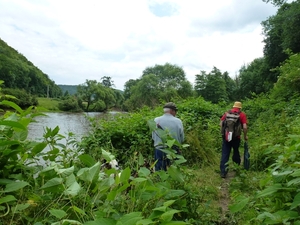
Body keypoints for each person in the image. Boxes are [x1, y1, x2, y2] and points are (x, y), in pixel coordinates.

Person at [152, 102, 184, 171]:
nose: (175, 113)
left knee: (160, 171)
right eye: (175, 111)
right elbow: (182, 138)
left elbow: (153, 136)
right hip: (174, 150)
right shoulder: (178, 121)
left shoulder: (156, 120)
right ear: (172, 111)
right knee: (174, 170)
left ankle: (161, 180)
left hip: (159, 149)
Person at [219, 101, 248, 178]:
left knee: (225, 153)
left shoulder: (227, 113)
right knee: (236, 151)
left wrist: (223, 133)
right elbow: (244, 127)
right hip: (236, 138)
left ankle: (223, 172)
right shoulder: (242, 114)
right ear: (240, 107)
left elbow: (221, 123)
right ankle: (236, 168)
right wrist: (245, 136)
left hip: (226, 137)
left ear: (233, 106)